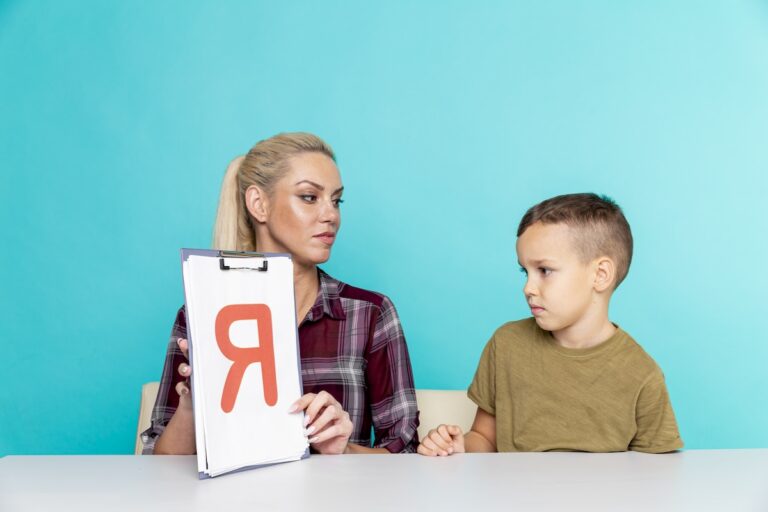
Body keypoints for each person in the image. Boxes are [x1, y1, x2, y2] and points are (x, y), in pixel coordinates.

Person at [142, 132, 419, 455]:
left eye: (336, 200)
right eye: (309, 197)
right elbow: (156, 463)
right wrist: (193, 402)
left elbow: (405, 455)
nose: (331, 215)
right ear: (259, 204)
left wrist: (343, 450)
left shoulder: (370, 313)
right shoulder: (201, 313)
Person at [418, 193, 683, 455]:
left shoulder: (642, 374)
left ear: (600, 274)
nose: (528, 288)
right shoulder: (506, 345)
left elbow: (658, 470)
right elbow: (485, 437)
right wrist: (460, 447)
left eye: (544, 271)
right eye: (525, 271)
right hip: (515, 485)